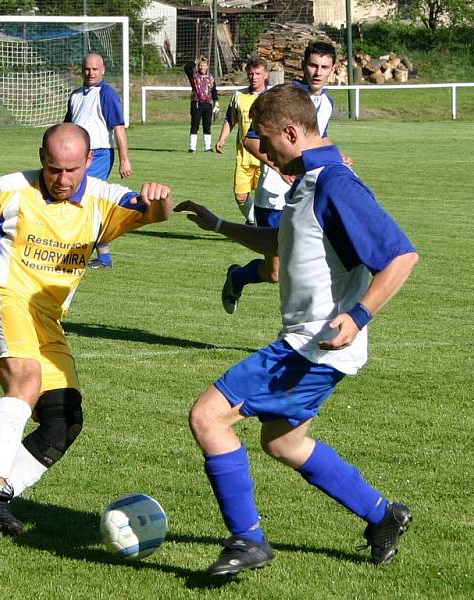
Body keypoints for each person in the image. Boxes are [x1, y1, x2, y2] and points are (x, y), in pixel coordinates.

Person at [174, 83, 419, 576]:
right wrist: (219, 224)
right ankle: (383, 515)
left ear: (291, 131)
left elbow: (401, 256)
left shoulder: (335, 183)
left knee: (207, 417)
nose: (261, 151)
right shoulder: (308, 180)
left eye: (266, 140)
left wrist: (359, 315)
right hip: (315, 345)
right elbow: (282, 241)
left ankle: (248, 541)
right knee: (283, 443)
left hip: (312, 346)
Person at [0, 123, 173, 541]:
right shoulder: (9, 190)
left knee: (63, 422)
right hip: (2, 303)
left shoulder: (103, 198)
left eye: (72, 170)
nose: (62, 179)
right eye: (54, 169)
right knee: (26, 377)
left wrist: (161, 198)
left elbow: (154, 213)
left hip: (48, 321)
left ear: (88, 162)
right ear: (42, 158)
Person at [221, 42, 346, 314]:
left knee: (310, 265)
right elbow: (250, 140)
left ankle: (305, 332)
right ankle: (237, 277)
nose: (317, 72)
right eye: (313, 65)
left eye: (324, 67)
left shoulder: (327, 103)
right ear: (302, 65)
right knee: (276, 272)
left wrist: (337, 156)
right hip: (274, 193)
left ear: (333, 70)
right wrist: (280, 168)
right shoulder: (285, 98)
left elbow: (317, 139)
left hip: (308, 194)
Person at [64, 52, 132, 269]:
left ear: (102, 70)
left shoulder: (107, 94)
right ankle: (102, 256)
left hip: (100, 154)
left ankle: (78, 254)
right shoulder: (75, 96)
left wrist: (124, 159)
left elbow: (118, 128)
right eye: (87, 69)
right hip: (77, 154)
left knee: (82, 200)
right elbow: (67, 128)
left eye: (95, 69)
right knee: (82, 202)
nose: (90, 72)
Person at [214, 55, 269, 226]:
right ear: (247, 73)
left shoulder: (272, 97)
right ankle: (254, 222)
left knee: (265, 200)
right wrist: (222, 139)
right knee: (240, 196)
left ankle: (261, 227)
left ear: (265, 75)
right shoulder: (238, 96)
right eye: (251, 73)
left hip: (265, 158)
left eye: (258, 73)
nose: (254, 77)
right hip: (243, 156)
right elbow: (230, 120)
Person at [184, 56, 219, 153]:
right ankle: (192, 148)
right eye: (200, 65)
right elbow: (186, 68)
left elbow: (214, 91)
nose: (202, 67)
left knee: (207, 125)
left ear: (207, 66)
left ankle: (208, 148)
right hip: (196, 103)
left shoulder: (211, 77)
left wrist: (216, 102)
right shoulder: (194, 76)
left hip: (208, 104)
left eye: (204, 65)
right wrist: (195, 61)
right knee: (195, 124)